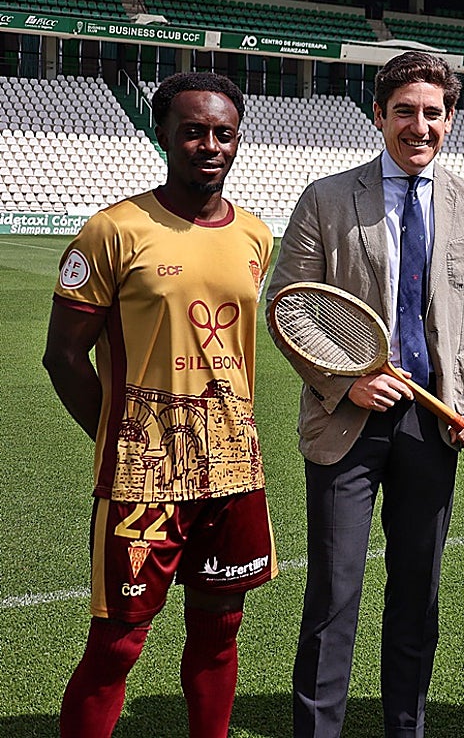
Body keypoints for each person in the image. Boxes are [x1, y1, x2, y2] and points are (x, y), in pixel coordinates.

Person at [266, 50, 464, 738]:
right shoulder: (326, 196)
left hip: (436, 425)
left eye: (433, 112)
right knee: (334, 596)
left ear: (451, 120)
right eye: (404, 110)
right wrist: (348, 380)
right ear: (379, 115)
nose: (419, 125)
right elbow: (289, 309)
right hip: (345, 423)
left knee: (417, 598)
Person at [43, 71, 276, 738]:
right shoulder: (113, 231)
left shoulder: (257, 237)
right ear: (164, 134)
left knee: (220, 631)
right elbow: (62, 355)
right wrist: (121, 440)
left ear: (237, 141)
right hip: (144, 481)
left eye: (223, 133)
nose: (210, 144)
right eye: (194, 131)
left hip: (234, 473)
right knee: (118, 644)